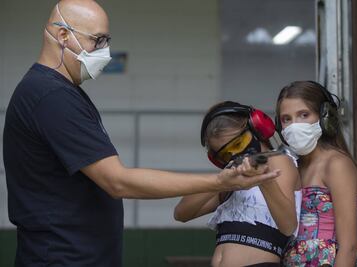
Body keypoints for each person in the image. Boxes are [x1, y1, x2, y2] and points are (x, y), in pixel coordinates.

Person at [2, 1, 279, 266]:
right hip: (62, 258)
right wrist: (221, 180)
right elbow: (118, 182)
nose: (105, 52)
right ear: (63, 35)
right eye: (97, 41)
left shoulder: (59, 93)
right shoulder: (51, 96)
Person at [174, 101, 301, 267]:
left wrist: (263, 178)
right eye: (226, 154)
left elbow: (288, 225)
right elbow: (181, 213)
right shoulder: (232, 181)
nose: (235, 154)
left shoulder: (279, 161)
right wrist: (221, 180)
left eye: (238, 144)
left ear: (256, 128)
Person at [274, 81, 357, 266]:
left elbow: (349, 247)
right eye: (286, 119)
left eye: (303, 115)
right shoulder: (294, 167)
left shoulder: (337, 164)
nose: (294, 125)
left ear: (325, 117)